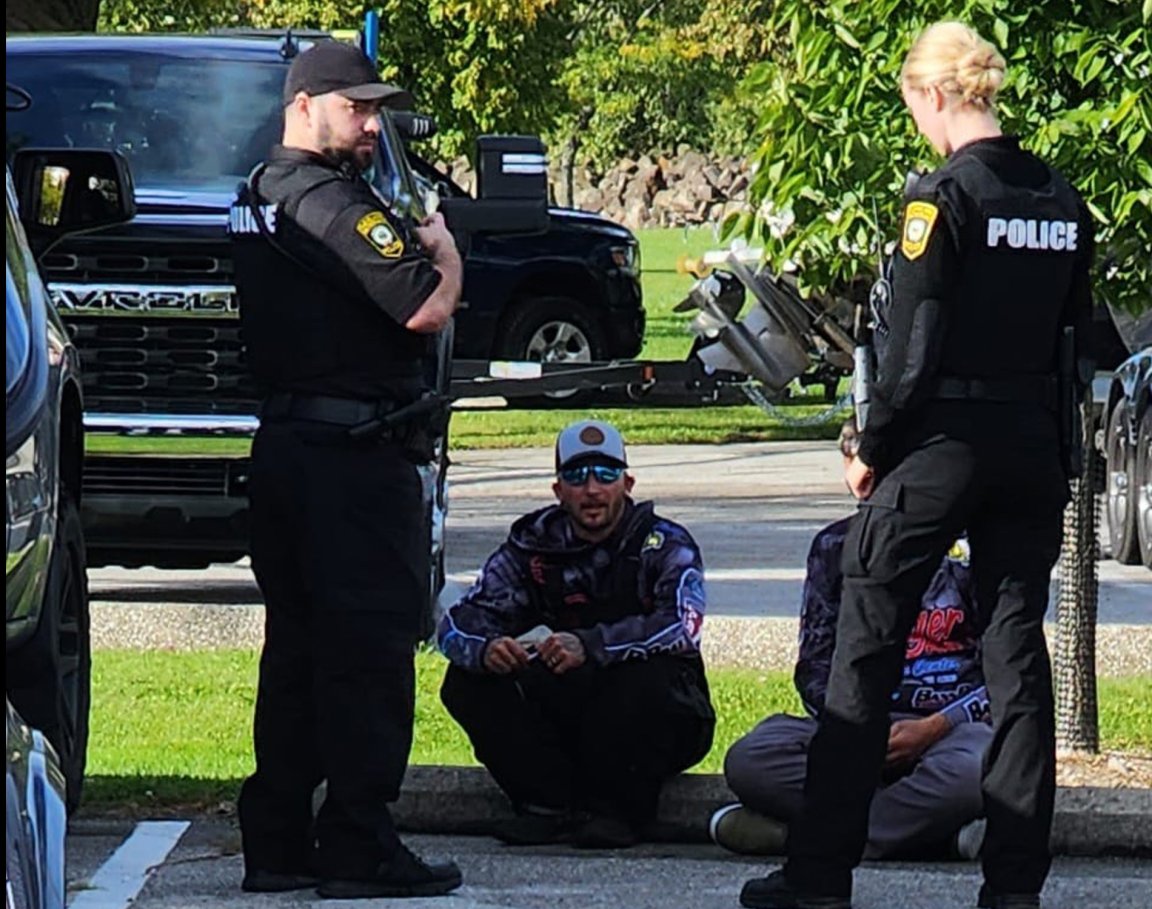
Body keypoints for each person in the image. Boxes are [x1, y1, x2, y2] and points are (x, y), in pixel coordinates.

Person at [739, 22, 1094, 909]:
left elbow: (910, 348)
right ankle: (1014, 885)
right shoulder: (1060, 198)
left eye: (913, 107)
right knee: (1017, 658)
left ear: (933, 95)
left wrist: (873, 449)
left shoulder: (940, 198)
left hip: (943, 443)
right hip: (1030, 445)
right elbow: (1081, 341)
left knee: (865, 644)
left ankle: (818, 876)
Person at [227, 41, 464, 900]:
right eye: (356, 108)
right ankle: (360, 840)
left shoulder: (256, 194)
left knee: (295, 650)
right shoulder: (327, 200)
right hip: (350, 462)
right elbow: (424, 306)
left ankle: (279, 839)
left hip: (287, 450)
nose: (371, 125)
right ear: (305, 105)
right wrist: (444, 248)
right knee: (365, 654)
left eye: (375, 111)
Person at [713, 420, 992, 861]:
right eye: (860, 465)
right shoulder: (833, 547)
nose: (869, 483)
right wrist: (856, 728)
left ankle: (806, 840)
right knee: (751, 759)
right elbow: (814, 666)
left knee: (975, 769)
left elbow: (1001, 677)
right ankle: (926, 837)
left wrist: (933, 727)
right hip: (854, 724)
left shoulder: (971, 547)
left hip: (947, 728)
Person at [437, 419, 716, 848]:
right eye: (576, 476)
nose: (592, 489)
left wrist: (591, 645)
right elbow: (461, 620)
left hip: (662, 709)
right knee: (467, 681)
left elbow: (682, 625)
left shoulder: (664, 544)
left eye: (605, 476)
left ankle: (620, 811)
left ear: (627, 483)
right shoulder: (532, 547)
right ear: (558, 490)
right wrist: (488, 648)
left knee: (640, 682)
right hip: (571, 702)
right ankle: (546, 805)